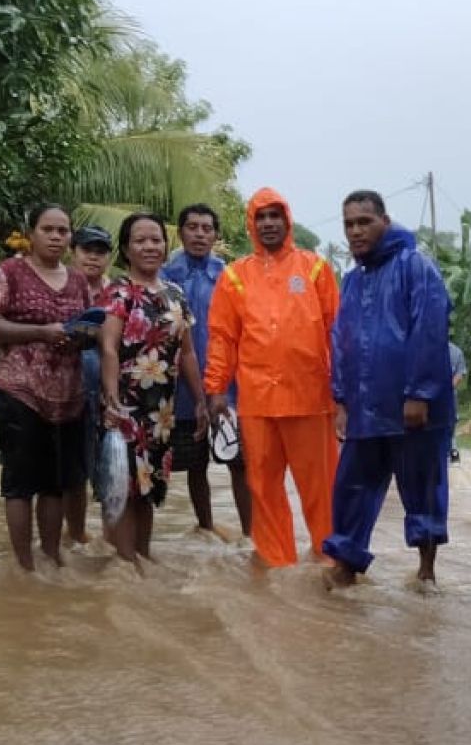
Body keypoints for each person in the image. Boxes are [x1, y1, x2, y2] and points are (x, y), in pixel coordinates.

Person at [323, 191, 454, 587]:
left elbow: (429, 330)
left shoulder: (415, 266)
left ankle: (426, 571)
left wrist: (419, 394)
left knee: (422, 486)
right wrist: (341, 399)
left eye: (364, 221)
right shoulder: (350, 281)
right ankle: (346, 564)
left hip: (413, 405)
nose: (356, 231)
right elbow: (341, 342)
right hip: (365, 406)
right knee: (352, 485)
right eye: (349, 224)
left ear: (385, 221)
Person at [204, 188, 339, 568]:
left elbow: (336, 333)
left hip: (311, 398)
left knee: (322, 490)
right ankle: (276, 566)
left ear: (287, 221)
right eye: (260, 217)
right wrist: (215, 389)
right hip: (257, 402)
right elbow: (222, 337)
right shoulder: (234, 276)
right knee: (263, 490)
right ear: (251, 223)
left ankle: (329, 564)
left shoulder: (315, 268)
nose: (267, 224)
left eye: (274, 216)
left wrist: (343, 391)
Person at [0, 203, 88, 571]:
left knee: (55, 484)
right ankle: (24, 566)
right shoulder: (9, 273)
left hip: (68, 397)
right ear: (32, 233)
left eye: (63, 231)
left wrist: (81, 336)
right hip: (18, 391)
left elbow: (94, 328)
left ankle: (51, 559)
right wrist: (39, 332)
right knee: (20, 484)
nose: (55, 237)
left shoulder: (79, 280)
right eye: (48, 229)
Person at [98, 212, 207, 564]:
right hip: (126, 407)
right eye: (140, 240)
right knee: (124, 487)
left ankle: (140, 559)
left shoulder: (176, 294)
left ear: (165, 245)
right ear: (127, 249)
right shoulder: (117, 292)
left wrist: (201, 401)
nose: (149, 246)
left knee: (149, 486)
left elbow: (187, 352)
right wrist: (111, 399)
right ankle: (125, 565)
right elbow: (109, 347)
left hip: (161, 412)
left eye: (156, 239)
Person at [161, 203, 252, 540]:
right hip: (183, 391)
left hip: (229, 388)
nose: (199, 234)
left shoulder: (232, 277)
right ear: (181, 232)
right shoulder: (167, 277)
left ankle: (250, 537)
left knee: (239, 463)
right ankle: (206, 529)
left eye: (206, 228)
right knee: (195, 465)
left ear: (216, 235)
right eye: (192, 227)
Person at [60, 225, 113, 546]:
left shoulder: (117, 291)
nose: (93, 257)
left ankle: (112, 539)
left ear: (109, 257)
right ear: (73, 251)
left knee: (111, 467)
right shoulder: (60, 287)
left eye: (100, 251)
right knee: (73, 471)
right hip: (67, 391)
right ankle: (77, 535)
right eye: (86, 250)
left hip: (109, 393)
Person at [448, 342, 467, 463]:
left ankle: (453, 449)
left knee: (451, 421)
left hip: (449, 393)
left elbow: (459, 374)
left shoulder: (456, 351)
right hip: (429, 392)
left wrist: (448, 388)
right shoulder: (425, 347)